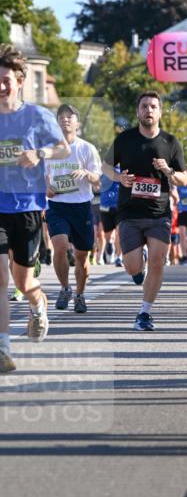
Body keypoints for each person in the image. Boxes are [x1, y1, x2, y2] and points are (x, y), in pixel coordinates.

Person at [0, 44, 70, 373]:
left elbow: (62, 148)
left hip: (28, 208)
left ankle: (39, 306)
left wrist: (38, 155)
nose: (0, 87)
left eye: (6, 81)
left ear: (19, 80)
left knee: (23, 281)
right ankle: (3, 346)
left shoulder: (38, 116)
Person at [102, 91, 186, 330]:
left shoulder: (171, 142)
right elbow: (105, 166)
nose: (148, 110)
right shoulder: (124, 140)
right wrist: (119, 177)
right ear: (138, 111)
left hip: (159, 213)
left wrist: (169, 171)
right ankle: (138, 269)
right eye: (144, 106)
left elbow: (184, 178)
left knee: (159, 262)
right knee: (132, 267)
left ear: (159, 112)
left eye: (153, 107)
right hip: (129, 212)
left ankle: (144, 313)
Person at [45, 104, 101, 314]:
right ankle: (64, 288)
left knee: (81, 256)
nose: (65, 120)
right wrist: (46, 188)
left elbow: (98, 181)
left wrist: (86, 173)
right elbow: (42, 176)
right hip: (58, 206)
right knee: (59, 246)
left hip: (81, 207)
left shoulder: (86, 148)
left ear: (77, 122)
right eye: (62, 117)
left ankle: (79, 294)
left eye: (70, 117)